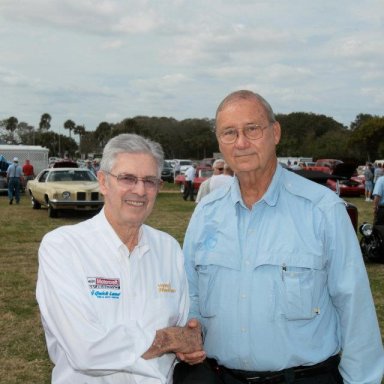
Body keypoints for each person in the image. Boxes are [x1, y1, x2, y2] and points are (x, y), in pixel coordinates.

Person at [178, 90, 384, 383]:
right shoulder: (206, 214)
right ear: (219, 142)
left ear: (275, 133)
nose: (241, 143)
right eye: (229, 133)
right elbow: (192, 294)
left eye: (252, 129)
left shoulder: (322, 210)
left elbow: (355, 309)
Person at [36, 133, 204, 384]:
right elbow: (87, 351)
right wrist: (168, 340)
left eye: (150, 181)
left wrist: (185, 346)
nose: (140, 190)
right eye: (127, 178)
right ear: (103, 182)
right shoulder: (63, 247)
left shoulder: (168, 248)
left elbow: (180, 329)